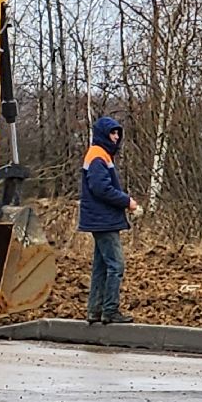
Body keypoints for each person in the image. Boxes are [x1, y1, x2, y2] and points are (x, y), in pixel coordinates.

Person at [79, 115, 138, 325]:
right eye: (113, 133)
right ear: (103, 134)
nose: (115, 137)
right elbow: (101, 188)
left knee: (101, 266)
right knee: (116, 265)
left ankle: (94, 311)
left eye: (117, 133)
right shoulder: (98, 156)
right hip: (103, 220)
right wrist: (126, 201)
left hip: (101, 219)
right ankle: (110, 311)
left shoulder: (101, 154)